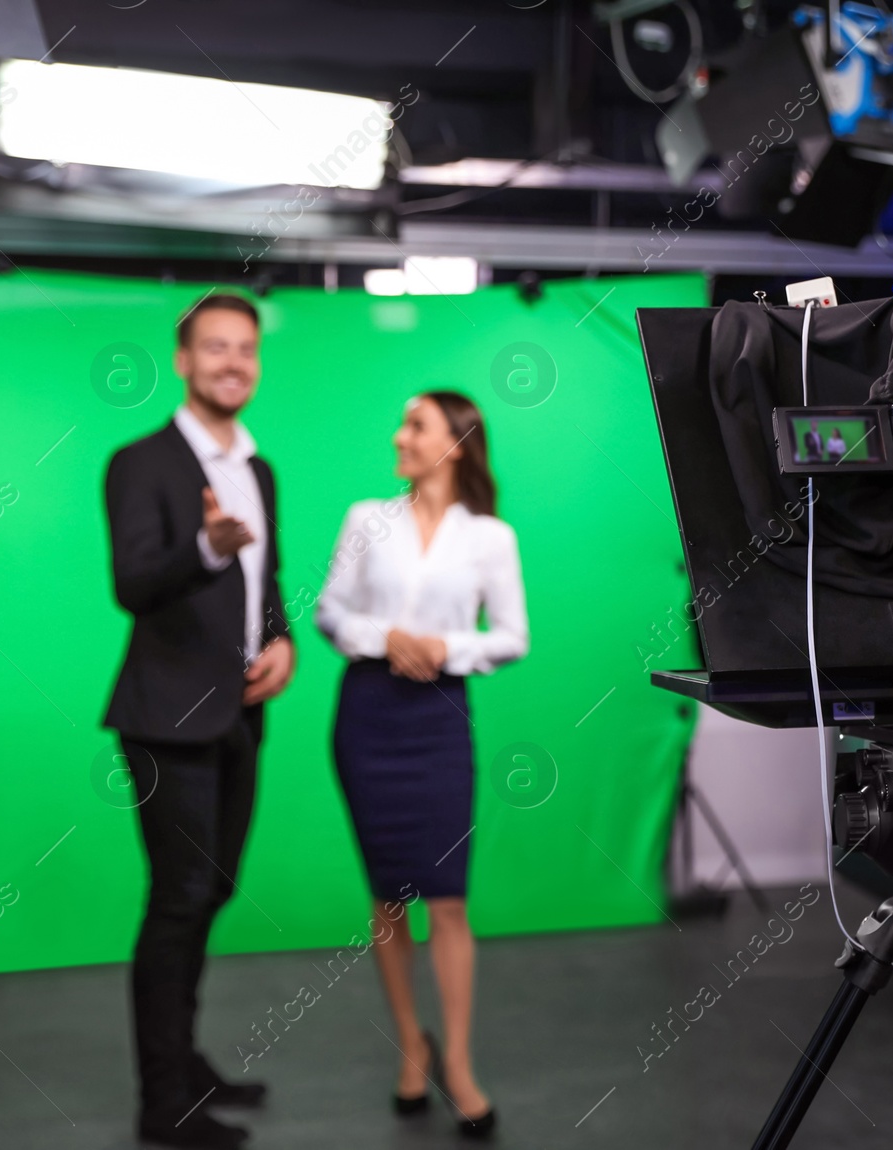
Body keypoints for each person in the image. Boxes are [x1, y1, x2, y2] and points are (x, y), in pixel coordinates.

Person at [103, 293, 295, 1150]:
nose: (231, 363)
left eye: (245, 349)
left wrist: (283, 643)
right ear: (182, 360)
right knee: (178, 900)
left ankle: (185, 1060)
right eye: (214, 348)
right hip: (165, 722)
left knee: (210, 891)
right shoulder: (139, 462)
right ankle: (162, 1101)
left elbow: (269, 582)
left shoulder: (258, 468)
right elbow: (134, 584)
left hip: (240, 717)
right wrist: (210, 546)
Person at [314, 391, 528, 1141]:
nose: (399, 435)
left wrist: (445, 649)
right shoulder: (364, 518)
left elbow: (510, 636)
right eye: (401, 421)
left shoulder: (491, 537)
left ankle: (459, 1063)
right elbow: (329, 612)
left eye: (416, 425)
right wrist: (390, 638)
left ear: (457, 444)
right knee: (390, 897)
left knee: (448, 901)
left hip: (440, 720)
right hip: (369, 716)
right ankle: (412, 1044)